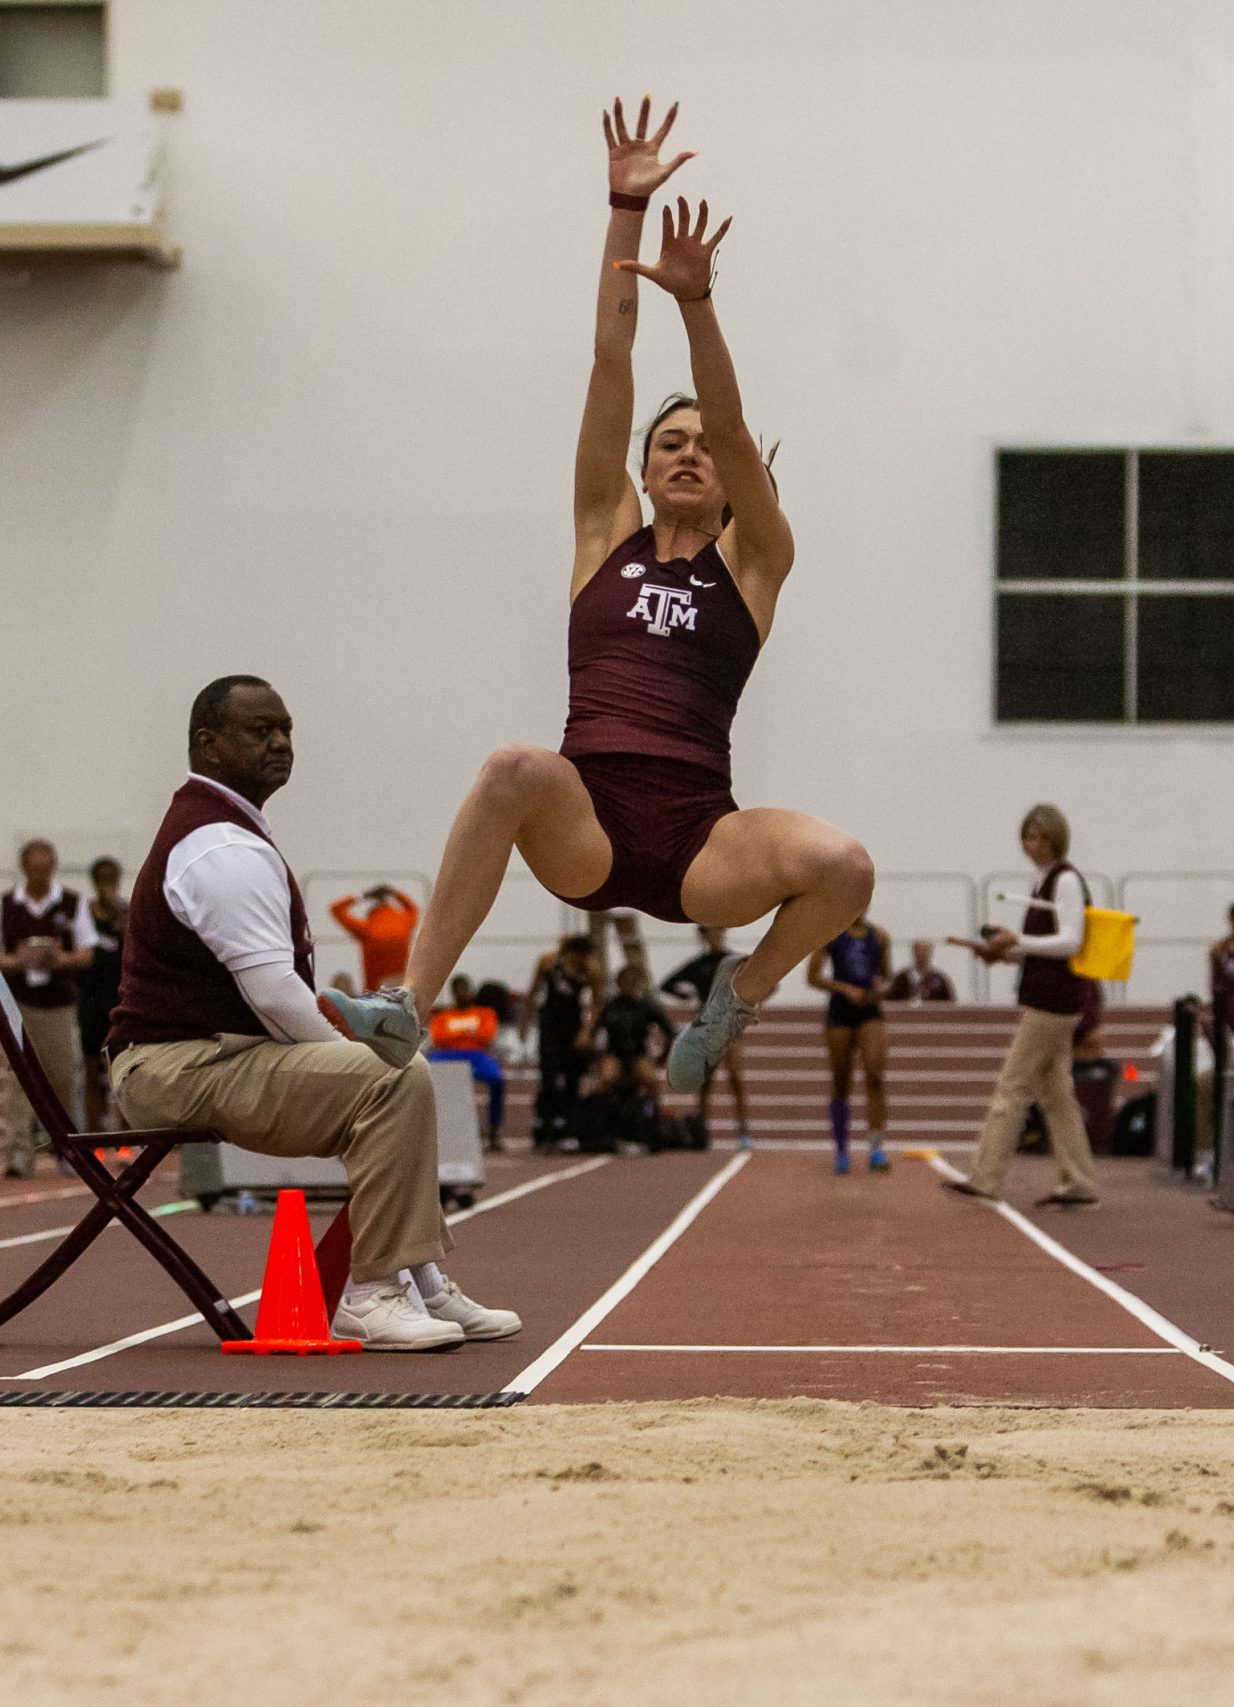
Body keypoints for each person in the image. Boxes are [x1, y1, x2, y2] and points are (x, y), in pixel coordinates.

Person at [325, 98, 873, 1105]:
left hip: (701, 839)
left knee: (844, 867)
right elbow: (609, 362)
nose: (690, 452)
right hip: (589, 822)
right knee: (508, 769)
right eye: (671, 442)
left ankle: (736, 995)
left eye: (706, 449)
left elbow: (737, 430)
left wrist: (697, 305)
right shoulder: (601, 536)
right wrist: (625, 208)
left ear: (732, 481)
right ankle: (407, 1003)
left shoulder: (755, 563)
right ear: (644, 467)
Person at [106, 675, 517, 1352]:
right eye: (259, 730)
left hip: (207, 1053)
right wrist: (351, 1053)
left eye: (287, 729)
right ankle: (372, 1293)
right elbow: (274, 996)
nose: (280, 742)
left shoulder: (229, 831)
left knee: (393, 1074)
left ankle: (420, 1280)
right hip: (174, 1065)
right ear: (206, 746)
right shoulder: (219, 846)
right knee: (390, 1077)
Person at [945, 805, 1100, 1208]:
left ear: (1056, 839)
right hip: (1052, 997)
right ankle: (1080, 1181)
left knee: (1012, 1087)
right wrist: (1004, 953)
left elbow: (1071, 943)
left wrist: (1016, 942)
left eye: (1039, 837)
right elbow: (1045, 949)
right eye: (1028, 837)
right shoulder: (1044, 880)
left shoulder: (1064, 880)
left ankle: (986, 1176)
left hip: (1052, 1002)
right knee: (1057, 1095)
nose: (1032, 845)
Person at [0, 838, 96, 1179]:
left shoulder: (73, 903)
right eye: (35, 869)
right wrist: (15, 960)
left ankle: (63, 1148)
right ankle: (19, 1152)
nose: (41, 875)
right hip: (17, 1002)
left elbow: (87, 951)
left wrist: (60, 958)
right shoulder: (5, 904)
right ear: (24, 868)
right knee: (17, 1077)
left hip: (57, 1003)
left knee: (62, 1076)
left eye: (46, 869)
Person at [808, 915, 891, 1174]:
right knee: (841, 1080)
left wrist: (881, 987)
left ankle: (876, 1147)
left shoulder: (879, 936)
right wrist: (844, 989)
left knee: (875, 1074)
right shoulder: (830, 932)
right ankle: (842, 1150)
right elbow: (813, 977)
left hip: (869, 1009)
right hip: (840, 1011)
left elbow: (887, 977)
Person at [660, 925, 753, 1146]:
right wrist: (688, 997)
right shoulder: (698, 964)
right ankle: (702, 1133)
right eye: (709, 932)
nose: (714, 936)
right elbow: (666, 985)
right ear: (703, 935)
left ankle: (743, 1132)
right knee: (705, 1081)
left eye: (717, 931)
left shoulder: (733, 961)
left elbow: (763, 982)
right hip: (705, 1024)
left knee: (736, 1079)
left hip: (729, 1023)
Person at [531, 934, 601, 1150]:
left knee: (573, 1076)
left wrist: (586, 1032)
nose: (583, 960)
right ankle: (546, 1127)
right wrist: (525, 1023)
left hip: (572, 1024)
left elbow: (597, 1004)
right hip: (550, 1023)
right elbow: (533, 992)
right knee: (549, 1076)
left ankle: (570, 1127)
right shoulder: (549, 962)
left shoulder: (592, 970)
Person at [428, 974, 508, 1150]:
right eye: (458, 990)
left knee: (497, 1079)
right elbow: (438, 1038)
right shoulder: (443, 1015)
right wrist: (469, 1032)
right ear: (453, 993)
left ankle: (494, 1130)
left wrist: (456, 1035)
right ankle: (433, 1129)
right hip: (448, 1055)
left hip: (476, 1055)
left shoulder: (485, 1013)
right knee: (425, 1073)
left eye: (465, 989)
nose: (462, 993)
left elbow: (487, 1036)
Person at [78, 856, 128, 1134]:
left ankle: (125, 1139)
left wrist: (121, 920)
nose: (107, 885)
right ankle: (95, 1136)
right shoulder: (84, 915)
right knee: (91, 1071)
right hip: (91, 1001)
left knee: (122, 1072)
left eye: (112, 879)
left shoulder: (128, 914)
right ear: (95, 882)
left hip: (120, 1001)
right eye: (102, 879)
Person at [590, 962, 675, 1116]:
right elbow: (592, 1033)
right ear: (618, 984)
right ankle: (604, 1115)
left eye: (633, 982)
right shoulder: (610, 1006)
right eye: (625, 982)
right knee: (606, 1078)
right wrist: (598, 1059)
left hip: (638, 1054)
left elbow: (669, 1031)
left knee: (650, 1079)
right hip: (614, 1053)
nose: (629, 986)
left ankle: (650, 1115)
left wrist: (660, 1058)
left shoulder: (647, 1006)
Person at [330, 885, 420, 994]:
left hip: (375, 992)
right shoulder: (405, 923)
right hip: (403, 989)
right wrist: (393, 892)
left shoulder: (367, 930)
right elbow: (413, 908)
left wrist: (363, 896)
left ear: (371, 913)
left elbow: (336, 909)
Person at [884, 938, 955, 1004]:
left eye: (925, 952)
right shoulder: (901, 978)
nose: (922, 954)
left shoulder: (940, 981)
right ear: (913, 952)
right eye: (919, 951)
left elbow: (950, 1003)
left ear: (930, 953)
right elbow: (890, 1001)